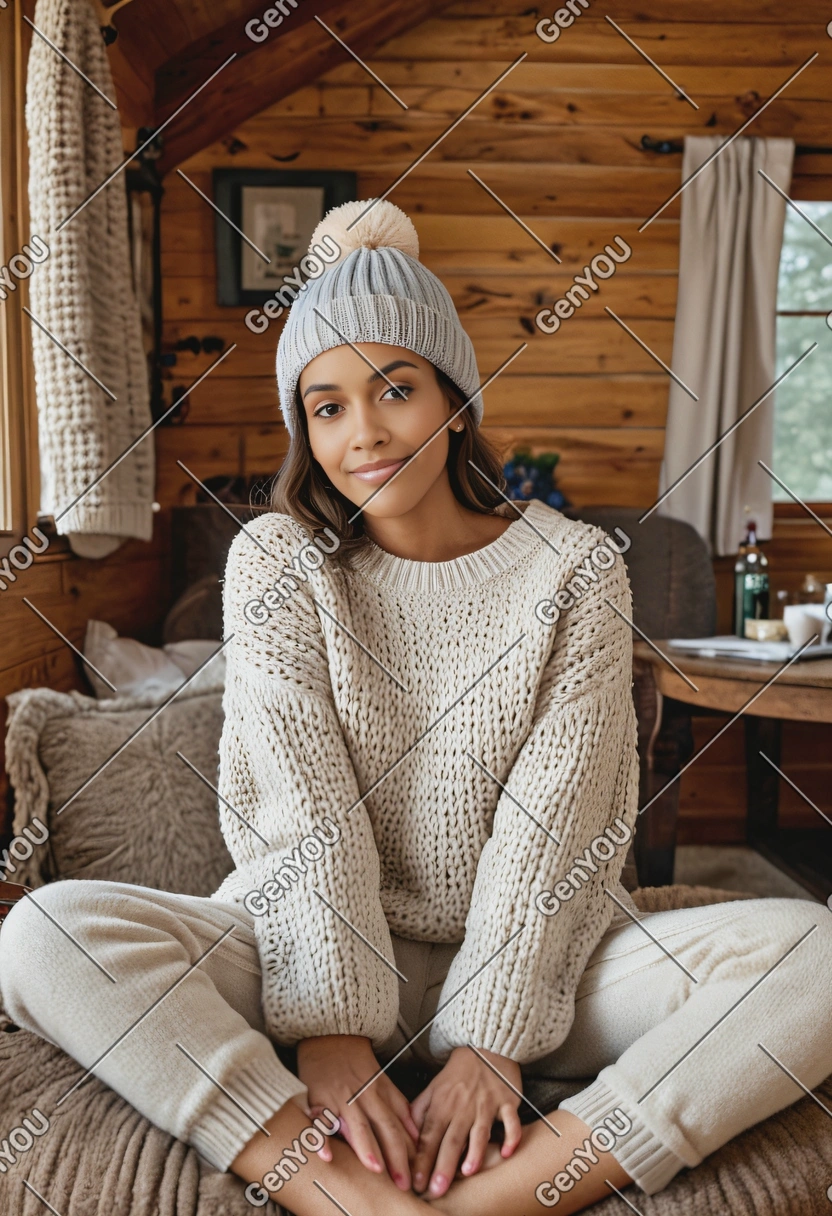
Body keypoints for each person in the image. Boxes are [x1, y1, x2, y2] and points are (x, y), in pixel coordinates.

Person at [1, 199, 830, 1216]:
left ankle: (507, 1196)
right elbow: (301, 808)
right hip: (299, 959)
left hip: (534, 973)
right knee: (45, 933)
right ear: (304, 426)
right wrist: (333, 1031)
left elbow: (559, 820)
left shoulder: (573, 569)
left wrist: (490, 1036)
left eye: (394, 387)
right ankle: (350, 1197)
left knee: (818, 957)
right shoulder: (277, 561)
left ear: (452, 395)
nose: (365, 432)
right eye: (328, 405)